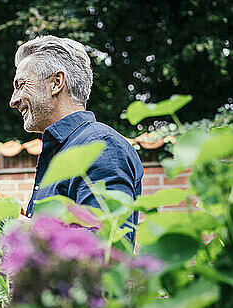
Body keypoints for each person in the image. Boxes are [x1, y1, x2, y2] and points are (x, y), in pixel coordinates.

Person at [9, 35, 144, 243]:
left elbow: (107, 246)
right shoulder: (58, 150)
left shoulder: (101, 146)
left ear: (56, 83)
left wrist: (24, 229)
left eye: (21, 85)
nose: (13, 100)